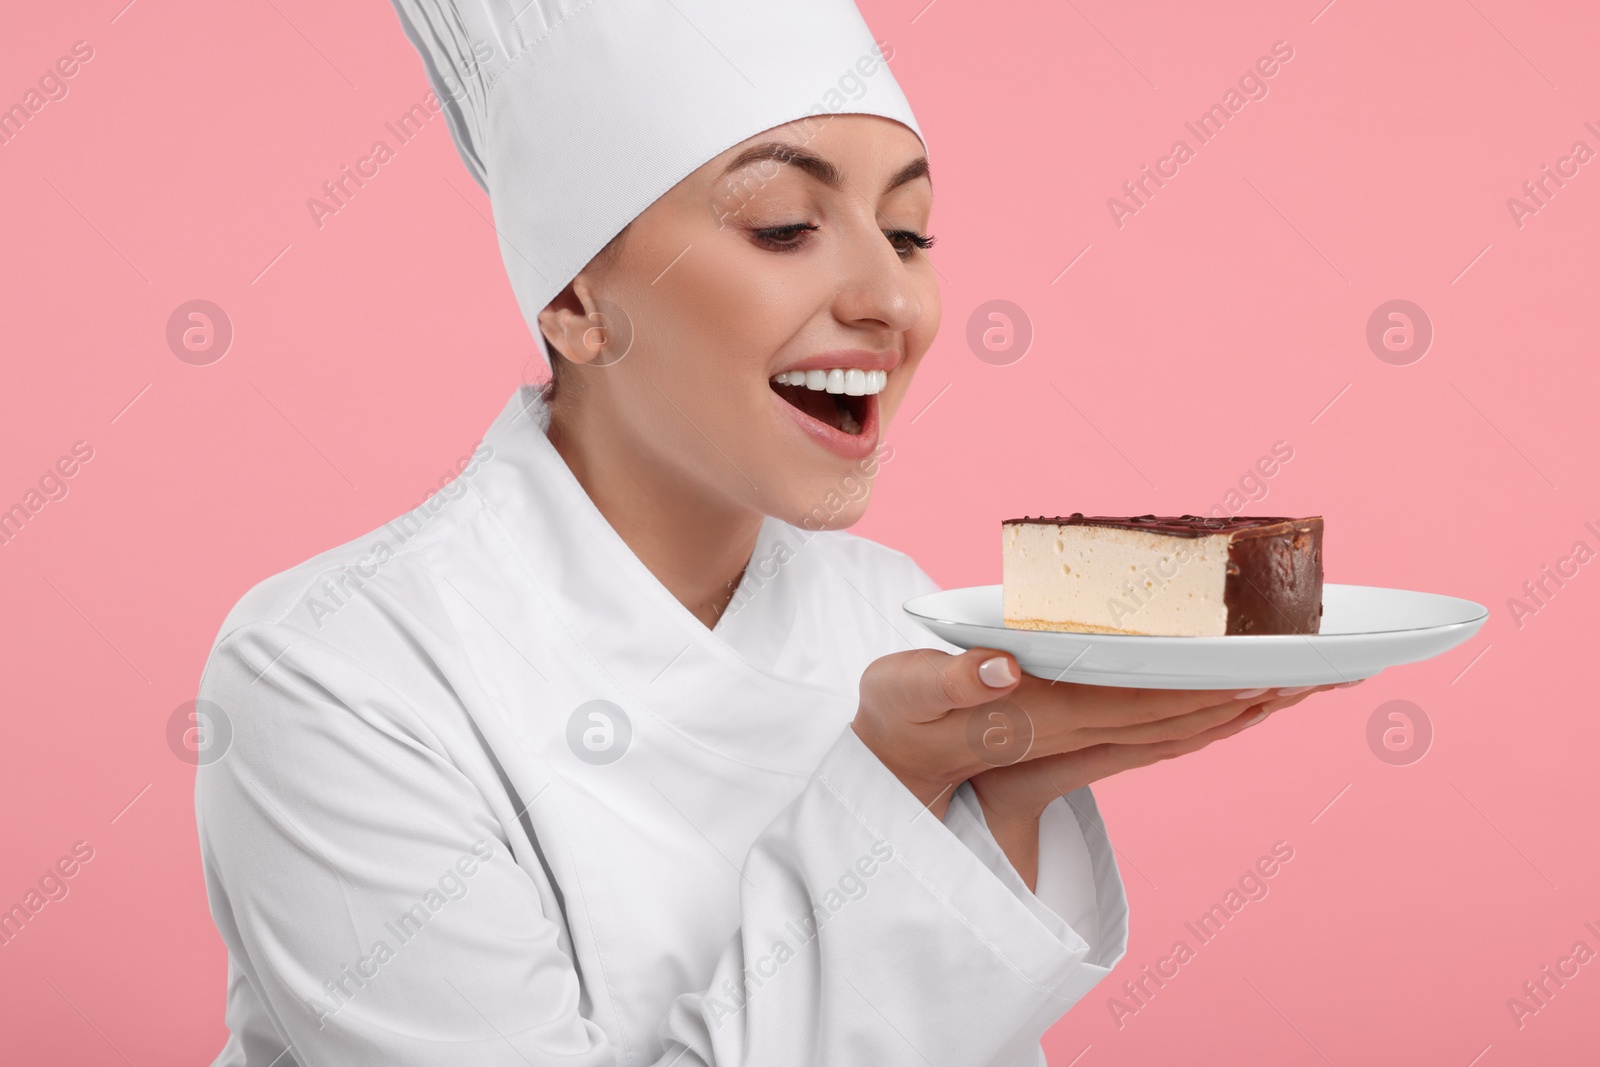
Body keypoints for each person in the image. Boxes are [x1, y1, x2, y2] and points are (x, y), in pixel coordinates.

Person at [192, 1, 1344, 1063]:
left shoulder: (887, 612)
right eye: (786, 225)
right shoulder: (335, 671)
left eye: (907, 233)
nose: (890, 300)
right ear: (576, 303)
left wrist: (998, 798)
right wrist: (891, 787)